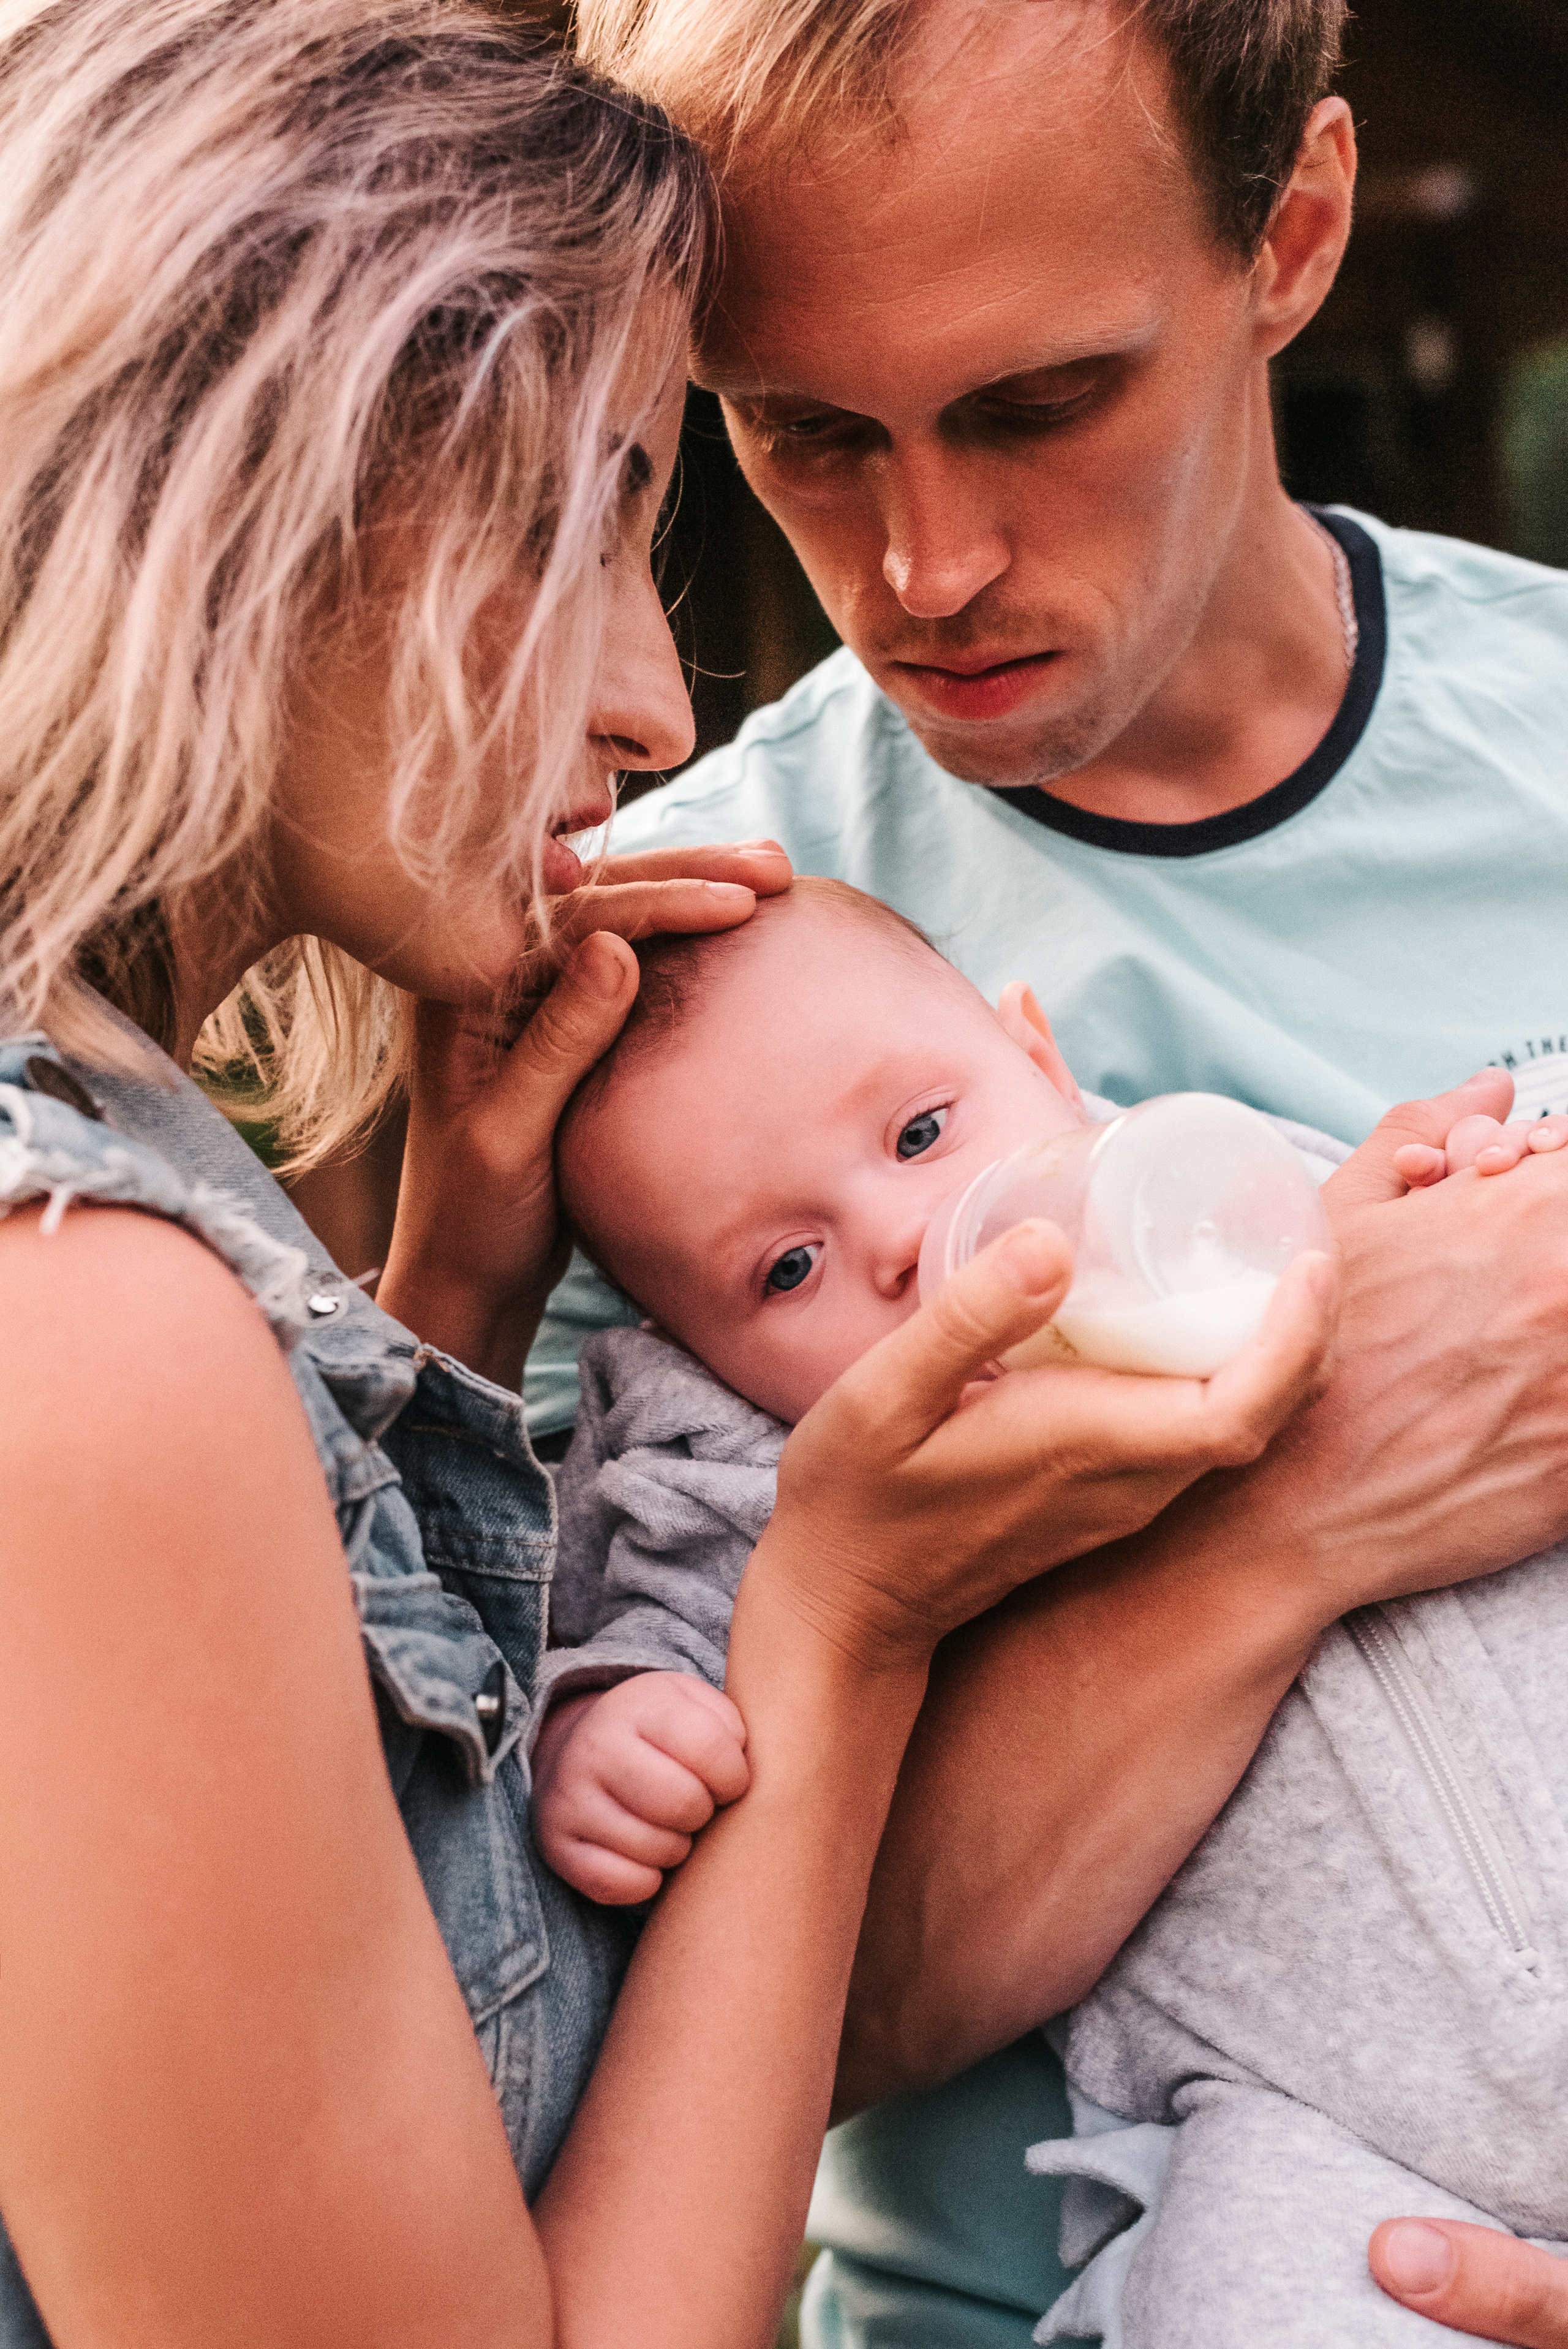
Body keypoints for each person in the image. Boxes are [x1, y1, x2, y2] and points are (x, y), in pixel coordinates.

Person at [0, 9, 1338, 2346]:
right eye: (581, 519)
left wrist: (463, 1294)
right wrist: (842, 1610)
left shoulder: (143, 1240)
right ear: (253, 479)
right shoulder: (80, 1319)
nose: (654, 702)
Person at [531, 0, 1568, 2340]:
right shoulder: (643, 1003)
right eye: (805, 432)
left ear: (1290, 234)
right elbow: (694, 2042)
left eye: (1039, 403)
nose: (924, 564)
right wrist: (1313, 1497)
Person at [524, 880, 1568, 2346]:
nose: (900, 1238)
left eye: (919, 1134)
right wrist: (606, 1722)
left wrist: (1478, 1172)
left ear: (1038, 1058)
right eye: (784, 1270)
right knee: (1239, 2302)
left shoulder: (1239, 1202)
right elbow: (651, 1624)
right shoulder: (758, 1478)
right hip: (1326, 2135)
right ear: (685, 1354)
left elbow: (1501, 1298)